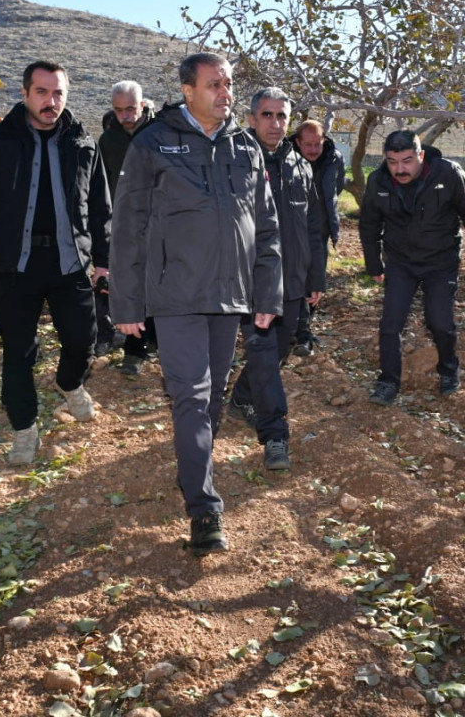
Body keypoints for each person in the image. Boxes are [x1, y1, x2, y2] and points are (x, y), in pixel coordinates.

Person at [110, 52, 281, 556]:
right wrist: (127, 302)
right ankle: (204, 509)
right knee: (190, 397)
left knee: (209, 401)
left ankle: (195, 464)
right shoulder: (153, 143)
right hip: (176, 294)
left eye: (229, 84)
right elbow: (128, 228)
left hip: (229, 296)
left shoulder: (244, 145)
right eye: (215, 84)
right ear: (188, 90)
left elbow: (265, 226)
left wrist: (267, 292)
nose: (226, 93)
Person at [0, 60, 111, 467]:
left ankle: (68, 383)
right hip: (13, 264)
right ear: (25, 94)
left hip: (69, 261)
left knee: (83, 340)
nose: (51, 101)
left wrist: (104, 260)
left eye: (58, 92)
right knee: (18, 352)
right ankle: (25, 429)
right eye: (42, 92)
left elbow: (99, 205)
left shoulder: (83, 141)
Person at [227, 90, 324, 472]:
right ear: (251, 119)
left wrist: (315, 278)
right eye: (266, 115)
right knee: (265, 356)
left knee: (278, 351)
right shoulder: (233, 162)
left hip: (292, 282)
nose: (275, 123)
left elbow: (313, 228)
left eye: (281, 116)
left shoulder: (300, 166)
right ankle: (275, 436)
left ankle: (240, 398)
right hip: (250, 282)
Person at [359, 130, 465, 405]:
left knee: (439, 322)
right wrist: (374, 264)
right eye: (393, 162)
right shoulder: (377, 181)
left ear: (421, 155)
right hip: (400, 262)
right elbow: (369, 226)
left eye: (407, 161)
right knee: (390, 324)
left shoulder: (449, 174)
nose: (400, 169)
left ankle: (449, 370)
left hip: (440, 261)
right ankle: (388, 381)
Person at [96, 81, 156, 370]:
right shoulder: (109, 141)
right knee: (132, 283)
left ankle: (156, 340)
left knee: (161, 283)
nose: (126, 116)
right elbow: (103, 184)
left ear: (142, 105)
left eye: (131, 109)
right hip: (124, 222)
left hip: (162, 221)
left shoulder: (161, 133)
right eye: (119, 111)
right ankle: (134, 351)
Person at [290, 119, 345, 356]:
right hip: (292, 228)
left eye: (317, 144)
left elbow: (337, 187)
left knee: (315, 281)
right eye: (308, 144)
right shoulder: (285, 158)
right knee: (296, 278)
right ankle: (300, 331)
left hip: (320, 228)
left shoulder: (335, 158)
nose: (313, 150)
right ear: (298, 142)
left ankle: (305, 326)